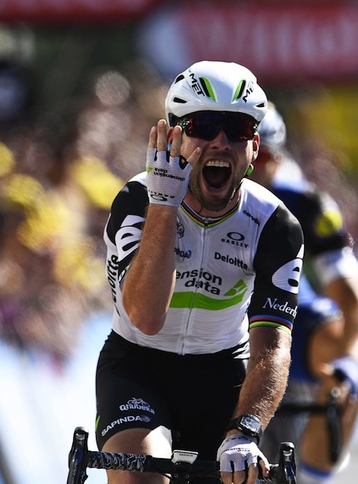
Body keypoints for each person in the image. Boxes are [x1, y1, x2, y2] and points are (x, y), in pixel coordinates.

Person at [94, 61, 304, 484]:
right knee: (142, 479)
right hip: (138, 367)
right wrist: (164, 207)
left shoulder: (275, 226)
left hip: (222, 373)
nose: (221, 142)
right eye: (203, 126)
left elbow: (272, 344)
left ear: (256, 146)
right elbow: (147, 318)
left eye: (238, 129)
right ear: (174, 137)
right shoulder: (137, 200)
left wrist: (246, 431)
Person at [249, 103, 358, 483]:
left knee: (346, 347)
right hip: (214, 320)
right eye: (252, 157)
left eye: (267, 156)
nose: (258, 168)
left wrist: (351, 366)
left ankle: (315, 477)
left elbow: (357, 306)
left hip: (287, 316)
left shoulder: (307, 204)